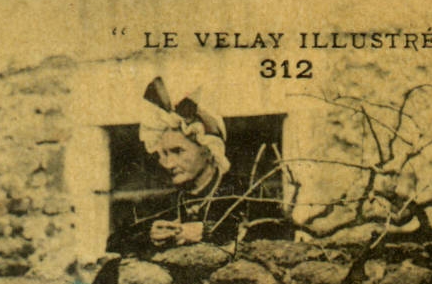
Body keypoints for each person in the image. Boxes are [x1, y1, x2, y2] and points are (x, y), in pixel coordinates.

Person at [105, 77, 292, 256]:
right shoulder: (166, 205)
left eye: (178, 151)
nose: (168, 164)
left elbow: (279, 235)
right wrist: (149, 236)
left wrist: (209, 232)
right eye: (163, 155)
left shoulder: (248, 195)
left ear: (209, 150)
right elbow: (113, 242)